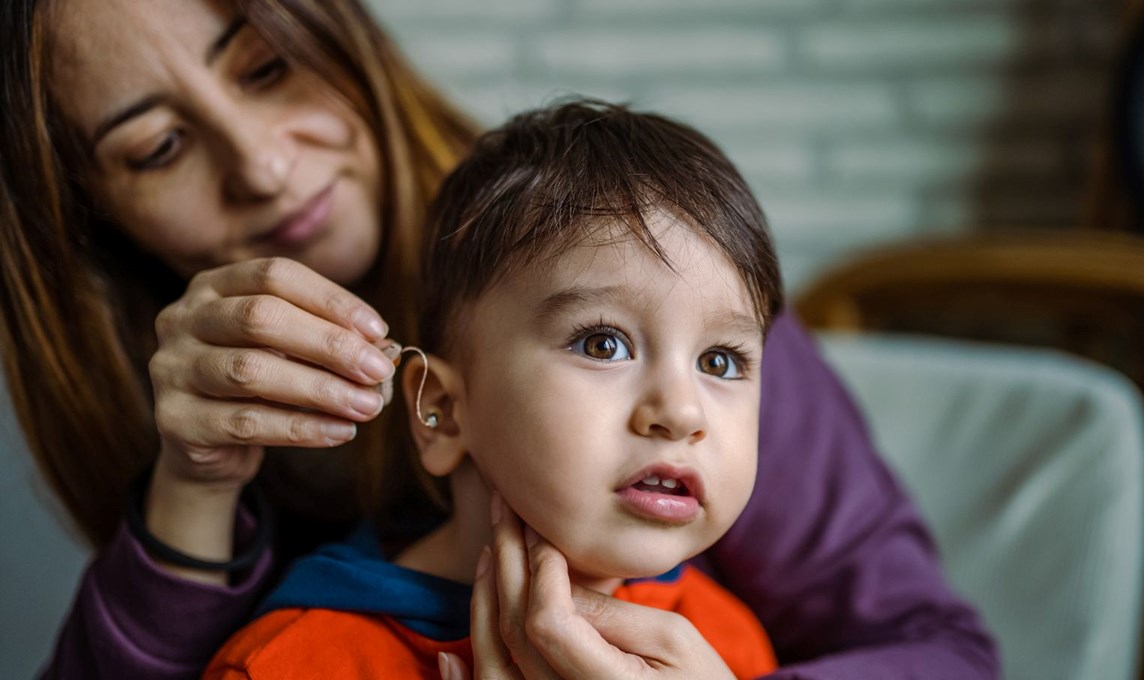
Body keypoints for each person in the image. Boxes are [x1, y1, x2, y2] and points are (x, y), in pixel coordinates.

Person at [0, 0, 999, 678]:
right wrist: (191, 491)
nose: (261, 164)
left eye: (268, 67)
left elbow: (942, 647)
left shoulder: (668, 266)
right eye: (157, 147)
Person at [206, 99, 783, 679]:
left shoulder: (719, 646)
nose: (682, 412)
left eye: (721, 360)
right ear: (444, 411)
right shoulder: (284, 666)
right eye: (603, 344)